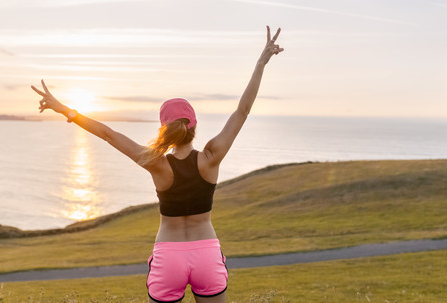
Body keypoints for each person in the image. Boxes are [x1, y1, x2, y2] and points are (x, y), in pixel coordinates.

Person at [31, 26, 283, 303]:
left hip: (169, 256)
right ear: (194, 126)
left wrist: (64, 109)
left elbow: (108, 134)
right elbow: (242, 111)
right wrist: (261, 63)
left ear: (164, 129)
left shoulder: (155, 163)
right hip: (206, 255)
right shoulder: (211, 157)